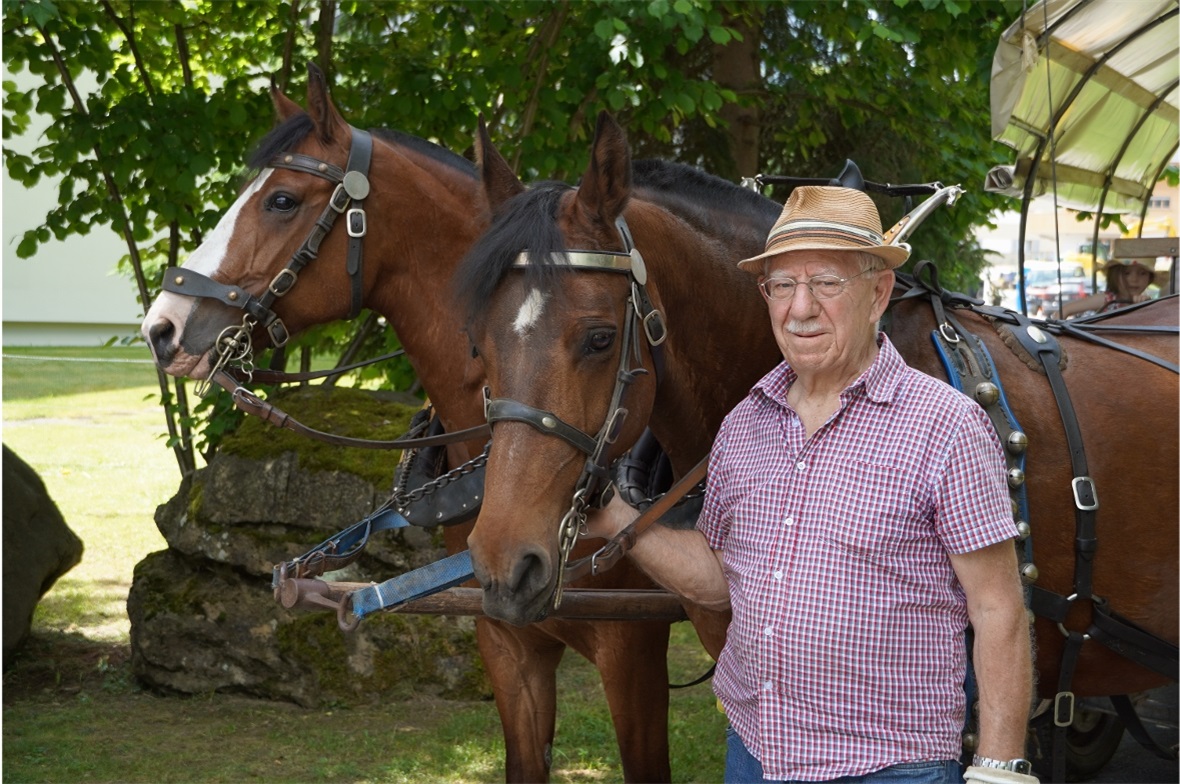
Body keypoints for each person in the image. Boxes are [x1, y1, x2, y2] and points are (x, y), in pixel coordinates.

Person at [585, 186, 1036, 783]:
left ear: (878, 294)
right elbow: (722, 578)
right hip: (755, 758)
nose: (800, 308)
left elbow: (998, 606)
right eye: (781, 286)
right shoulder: (745, 423)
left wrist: (999, 768)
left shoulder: (945, 426)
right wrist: (617, 517)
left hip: (887, 769)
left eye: (825, 282)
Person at [1056, 258, 1155, 318]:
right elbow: (1064, 311)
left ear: (1149, 278)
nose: (1134, 279)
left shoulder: (1147, 303)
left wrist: (1144, 308)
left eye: (1142, 273)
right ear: (1114, 275)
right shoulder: (1106, 299)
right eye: (1126, 273)